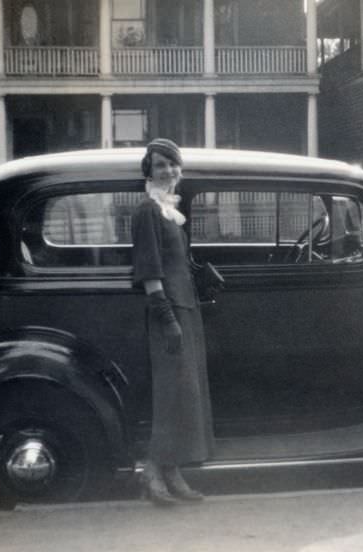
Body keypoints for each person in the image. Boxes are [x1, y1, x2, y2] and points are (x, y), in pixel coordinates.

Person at [131, 138, 213, 506]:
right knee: (170, 396)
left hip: (186, 309)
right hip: (168, 313)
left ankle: (172, 471)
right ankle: (151, 470)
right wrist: (168, 320)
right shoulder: (147, 211)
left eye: (172, 164)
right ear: (148, 170)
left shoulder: (168, 211)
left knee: (185, 396)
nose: (168, 171)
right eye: (160, 165)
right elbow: (150, 272)